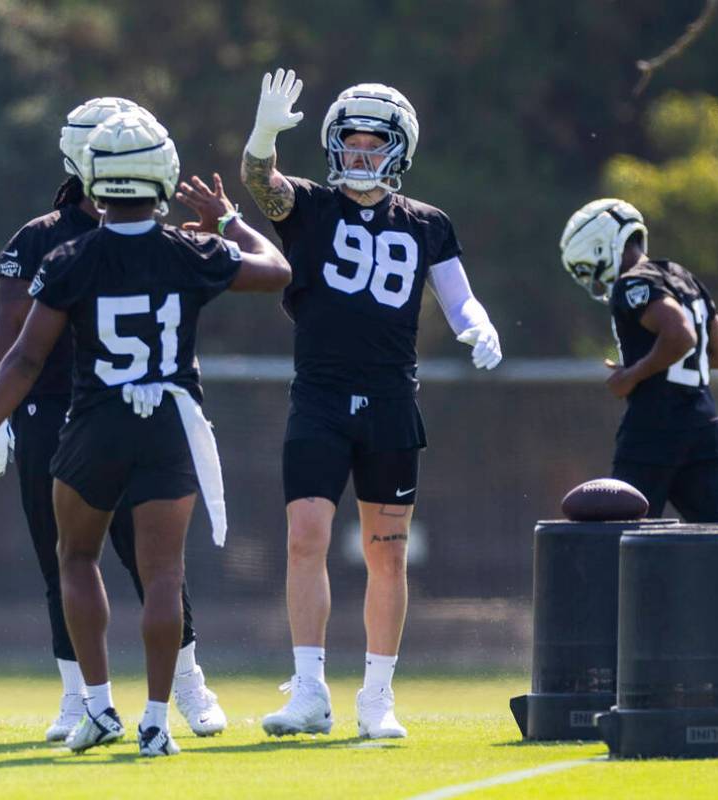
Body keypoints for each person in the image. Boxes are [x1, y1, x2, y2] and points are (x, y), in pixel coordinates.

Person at [0, 110, 290, 757]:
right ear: (162, 175)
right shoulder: (191, 251)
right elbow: (275, 268)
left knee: (75, 559)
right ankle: (158, 720)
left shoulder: (70, 256)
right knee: (163, 573)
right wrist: (227, 221)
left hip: (94, 423)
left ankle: (99, 706)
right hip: (168, 423)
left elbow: (24, 357)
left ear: (94, 181)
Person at [240, 69, 503, 739]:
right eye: (348, 143)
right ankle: (308, 690)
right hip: (320, 397)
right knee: (306, 539)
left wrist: (480, 323)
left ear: (399, 149)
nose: (357, 156)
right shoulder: (310, 205)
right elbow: (259, 183)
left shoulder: (428, 224)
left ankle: (378, 696)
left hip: (388, 401)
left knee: (387, 553)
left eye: (370, 144)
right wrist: (264, 133)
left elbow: (457, 294)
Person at [0, 96, 225, 742]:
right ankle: (80, 697)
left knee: (143, 560)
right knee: (63, 557)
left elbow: (21, 348)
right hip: (55, 410)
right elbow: (8, 337)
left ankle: (185, 681)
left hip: (100, 412)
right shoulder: (41, 237)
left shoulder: (132, 241)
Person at [560, 198, 718, 521]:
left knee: (619, 539)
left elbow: (681, 336)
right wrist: (659, 366)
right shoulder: (682, 276)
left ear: (599, 246)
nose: (593, 279)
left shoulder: (633, 283)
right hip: (704, 426)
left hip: (653, 429)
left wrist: (633, 375)